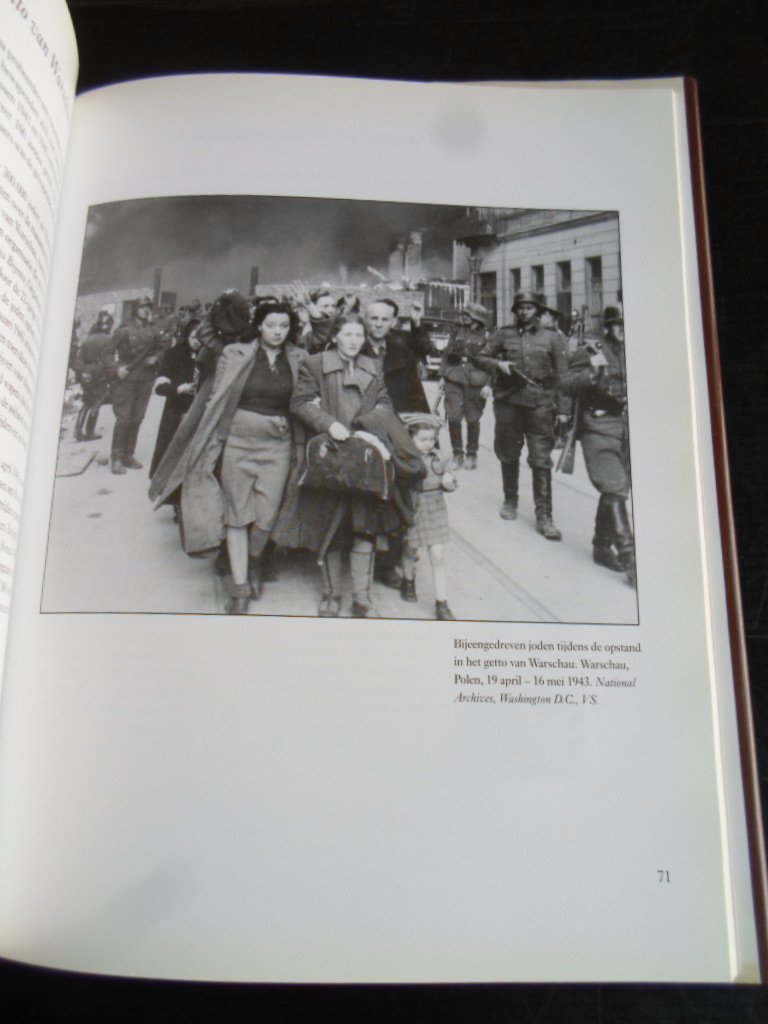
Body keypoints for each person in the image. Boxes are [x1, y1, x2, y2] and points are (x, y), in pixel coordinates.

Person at [149, 294, 304, 614]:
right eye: (271, 325)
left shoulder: (300, 357)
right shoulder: (234, 353)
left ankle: (255, 560)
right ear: (258, 326)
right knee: (236, 514)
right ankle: (240, 585)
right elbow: (215, 397)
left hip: (278, 445)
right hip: (237, 442)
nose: (277, 331)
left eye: (283, 325)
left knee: (266, 518)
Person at [287, 313, 400, 618]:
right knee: (332, 528)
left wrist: (370, 423)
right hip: (331, 456)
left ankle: (362, 598)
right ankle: (331, 594)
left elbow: (385, 402)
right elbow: (299, 402)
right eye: (347, 334)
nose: (353, 341)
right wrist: (328, 424)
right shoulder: (315, 364)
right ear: (335, 336)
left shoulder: (372, 366)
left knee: (364, 528)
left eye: (358, 335)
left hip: (363, 456)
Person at [472, 290, 569, 539]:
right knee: (508, 453)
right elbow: (479, 356)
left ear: (537, 310)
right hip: (509, 403)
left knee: (540, 460)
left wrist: (563, 411)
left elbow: (563, 378)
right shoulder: (503, 334)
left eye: (529, 307)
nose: (525, 312)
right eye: (521, 308)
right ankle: (510, 500)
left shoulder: (552, 338)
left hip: (540, 406)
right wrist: (499, 364)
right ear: (516, 310)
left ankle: (544, 516)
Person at [560, 305, 635, 585]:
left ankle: (602, 546)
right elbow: (565, 383)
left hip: (627, 427)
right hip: (598, 425)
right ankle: (631, 560)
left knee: (618, 487)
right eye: (620, 325)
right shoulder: (592, 349)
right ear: (608, 326)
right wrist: (588, 377)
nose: (624, 330)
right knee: (614, 486)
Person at [399, 413, 457, 620]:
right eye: (422, 439)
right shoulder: (405, 458)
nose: (428, 443)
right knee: (410, 551)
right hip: (413, 509)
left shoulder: (441, 457)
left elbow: (451, 479)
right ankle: (408, 580)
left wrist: (449, 481)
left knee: (438, 557)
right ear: (410, 438)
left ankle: (442, 603)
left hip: (435, 509)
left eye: (431, 439)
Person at [109, 297, 162, 474]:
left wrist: (156, 358)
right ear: (135, 309)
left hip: (146, 378)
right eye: (143, 307)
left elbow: (163, 349)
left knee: (137, 418)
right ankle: (116, 458)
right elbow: (107, 354)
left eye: (148, 307)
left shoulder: (153, 330)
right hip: (127, 378)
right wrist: (117, 369)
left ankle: (128, 455)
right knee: (123, 419)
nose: (146, 310)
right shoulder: (123, 330)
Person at [439, 302, 492, 470]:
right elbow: (447, 352)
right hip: (454, 377)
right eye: (465, 314)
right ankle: (457, 454)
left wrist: (489, 384)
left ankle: (471, 455)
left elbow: (493, 361)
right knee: (453, 417)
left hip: (477, 381)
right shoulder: (457, 330)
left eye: (468, 315)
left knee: (473, 419)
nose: (465, 317)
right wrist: (442, 375)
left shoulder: (488, 335)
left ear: (478, 318)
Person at [149, 319, 201, 478]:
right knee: (171, 449)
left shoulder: (208, 355)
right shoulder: (174, 354)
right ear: (186, 336)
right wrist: (178, 389)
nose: (197, 342)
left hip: (198, 410)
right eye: (193, 337)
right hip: (176, 409)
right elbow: (160, 387)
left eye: (201, 338)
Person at [363, 298, 431, 414]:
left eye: (385, 319)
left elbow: (423, 348)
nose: (379, 324)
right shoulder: (354, 349)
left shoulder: (402, 349)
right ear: (365, 320)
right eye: (374, 318)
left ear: (393, 322)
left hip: (397, 414)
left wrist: (417, 323)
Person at [74, 308, 115, 441]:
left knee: (87, 401)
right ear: (108, 326)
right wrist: (111, 376)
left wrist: (82, 374)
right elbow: (107, 361)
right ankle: (89, 431)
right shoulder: (109, 340)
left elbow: (79, 360)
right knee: (98, 401)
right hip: (99, 374)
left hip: (85, 373)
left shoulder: (87, 340)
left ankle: (78, 430)